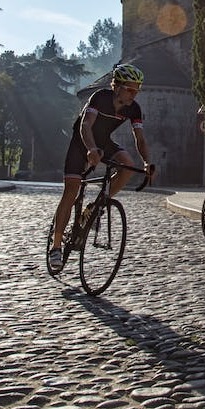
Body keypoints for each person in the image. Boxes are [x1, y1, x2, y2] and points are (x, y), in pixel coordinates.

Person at [48, 63, 152, 271]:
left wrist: (147, 162)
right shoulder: (100, 97)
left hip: (104, 141)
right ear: (117, 86)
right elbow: (86, 125)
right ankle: (56, 246)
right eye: (131, 89)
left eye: (137, 90)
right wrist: (91, 149)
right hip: (81, 142)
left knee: (128, 165)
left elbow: (139, 139)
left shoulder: (134, 109)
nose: (134, 94)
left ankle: (96, 206)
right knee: (71, 191)